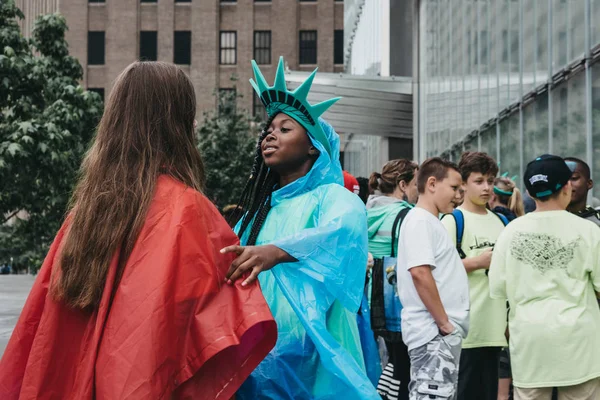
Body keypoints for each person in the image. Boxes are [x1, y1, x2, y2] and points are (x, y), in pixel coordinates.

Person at [0, 61, 277, 400]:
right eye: (189, 115)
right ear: (178, 125)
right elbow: (211, 327)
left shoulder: (84, 212)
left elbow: (43, 334)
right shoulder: (189, 210)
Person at [224, 57, 379, 399]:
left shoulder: (333, 198)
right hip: (256, 355)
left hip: (311, 353)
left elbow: (344, 233)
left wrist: (277, 252)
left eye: (284, 129)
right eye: (269, 129)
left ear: (313, 146)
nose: (269, 136)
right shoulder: (256, 214)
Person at [489, 154, 600, 400]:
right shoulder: (590, 231)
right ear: (567, 187)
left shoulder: (510, 232)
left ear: (529, 192)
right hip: (580, 346)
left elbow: (497, 290)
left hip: (530, 345)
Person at [396, 157, 469, 400]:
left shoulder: (428, 221)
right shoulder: (419, 221)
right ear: (432, 183)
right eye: (454, 187)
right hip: (433, 335)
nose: (459, 195)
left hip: (437, 335)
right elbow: (419, 272)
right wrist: (445, 324)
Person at [441, 152, 508, 400]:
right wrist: (476, 262)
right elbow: (437, 270)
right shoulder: (453, 221)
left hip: (495, 328)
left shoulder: (501, 221)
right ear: (464, 184)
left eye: (490, 181)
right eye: (479, 181)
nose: (487, 187)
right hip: (465, 330)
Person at [366, 159, 418, 400]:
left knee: (392, 361)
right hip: (394, 302)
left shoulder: (367, 211)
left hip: (368, 298)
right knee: (402, 366)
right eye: (416, 183)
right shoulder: (406, 215)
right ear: (403, 185)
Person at [564, 157, 600, 226]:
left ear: (589, 184)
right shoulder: (543, 220)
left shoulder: (596, 223)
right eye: (562, 179)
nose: (568, 184)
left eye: (574, 178)